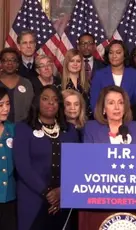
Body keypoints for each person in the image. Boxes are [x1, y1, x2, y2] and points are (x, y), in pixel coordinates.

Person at [13, 85, 80, 230]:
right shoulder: (23, 129)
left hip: (63, 200)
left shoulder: (70, 130)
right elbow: (23, 166)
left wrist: (62, 192)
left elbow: (76, 167)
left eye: (55, 100)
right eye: (45, 99)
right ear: (37, 102)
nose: (51, 103)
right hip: (33, 199)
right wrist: (48, 193)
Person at [90, 40, 136, 111]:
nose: (114, 56)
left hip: (130, 118)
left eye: (118, 52)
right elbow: (94, 103)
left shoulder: (135, 74)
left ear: (124, 55)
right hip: (104, 119)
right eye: (111, 53)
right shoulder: (99, 75)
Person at [0, 48, 34, 122]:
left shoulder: (26, 83)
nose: (9, 63)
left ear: (18, 64)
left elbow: (32, 108)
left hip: (22, 126)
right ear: (1, 63)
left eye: (13, 60)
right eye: (5, 60)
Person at [0, 87, 16, 230]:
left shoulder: (14, 129)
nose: (5, 108)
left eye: (7, 103)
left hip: (10, 197)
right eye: (0, 105)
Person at [62, 48, 92, 119]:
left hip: (86, 123)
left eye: (78, 61)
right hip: (66, 124)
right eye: (72, 61)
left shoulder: (88, 84)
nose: (75, 64)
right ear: (67, 63)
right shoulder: (58, 84)